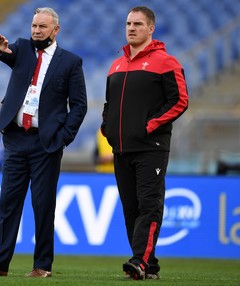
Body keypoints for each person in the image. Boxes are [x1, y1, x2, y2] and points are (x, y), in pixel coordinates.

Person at [0, 7, 87, 278]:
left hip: (46, 144)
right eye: (34, 26)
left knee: (43, 206)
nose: (36, 31)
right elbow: (0, 51)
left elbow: (79, 106)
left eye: (42, 27)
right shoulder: (21, 49)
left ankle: (42, 266)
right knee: (8, 203)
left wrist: (63, 137)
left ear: (55, 30)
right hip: (15, 140)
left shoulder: (70, 62)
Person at [100, 6, 188, 280]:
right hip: (121, 148)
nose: (131, 28)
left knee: (149, 206)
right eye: (128, 23)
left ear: (151, 28)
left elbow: (180, 101)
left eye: (138, 23)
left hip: (151, 148)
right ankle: (149, 266)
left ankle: (139, 261)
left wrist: (149, 126)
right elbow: (108, 104)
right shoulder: (116, 65)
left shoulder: (166, 62)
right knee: (131, 210)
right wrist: (107, 128)